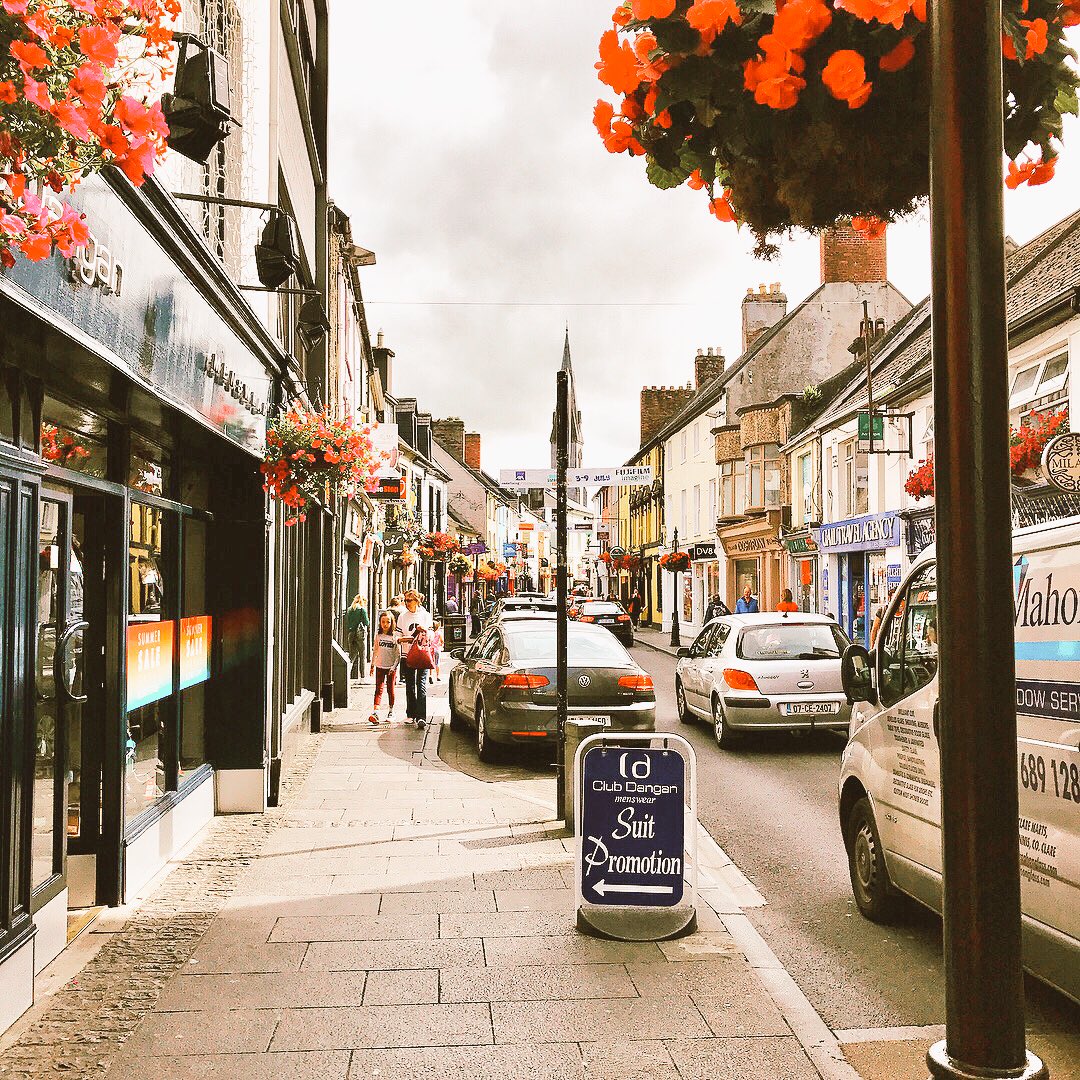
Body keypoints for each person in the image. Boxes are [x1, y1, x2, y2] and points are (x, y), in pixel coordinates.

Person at [396, 590, 433, 728]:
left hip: (421, 653)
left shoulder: (425, 615)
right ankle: (411, 714)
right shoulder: (402, 616)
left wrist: (425, 631)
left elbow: (431, 633)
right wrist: (399, 639)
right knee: (410, 685)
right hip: (407, 654)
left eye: (409, 600)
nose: (406, 603)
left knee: (421, 685)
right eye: (405, 600)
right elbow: (397, 634)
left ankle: (421, 717)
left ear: (417, 601)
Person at [368, 611, 400, 725]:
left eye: (388, 622)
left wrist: (394, 666)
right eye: (383, 622)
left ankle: (391, 711)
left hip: (390, 667)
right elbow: (375, 651)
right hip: (380, 666)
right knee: (378, 689)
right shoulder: (378, 636)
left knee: (390, 689)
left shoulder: (395, 637)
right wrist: (372, 665)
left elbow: (398, 655)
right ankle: (375, 712)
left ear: (392, 623)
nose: (385, 624)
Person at [345, 595, 369, 681]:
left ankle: (347, 674)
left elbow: (347, 621)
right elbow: (366, 622)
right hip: (360, 635)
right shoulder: (362, 610)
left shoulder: (350, 610)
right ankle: (362, 677)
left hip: (351, 634)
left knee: (352, 656)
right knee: (362, 655)